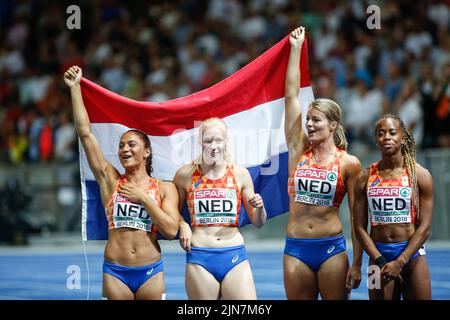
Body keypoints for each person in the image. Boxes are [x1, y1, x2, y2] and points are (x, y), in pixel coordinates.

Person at [64, 66, 180, 300]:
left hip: (151, 272)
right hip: (115, 271)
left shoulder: (164, 188)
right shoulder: (110, 180)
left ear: (146, 152)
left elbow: (170, 230)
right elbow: (85, 134)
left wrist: (145, 199)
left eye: (131, 145)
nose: (124, 149)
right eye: (121, 145)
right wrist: (75, 89)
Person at [283, 27, 363, 300]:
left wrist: (357, 262)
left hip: (331, 248)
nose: (309, 124)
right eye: (308, 119)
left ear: (333, 125)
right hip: (296, 248)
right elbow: (291, 96)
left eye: (316, 120)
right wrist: (296, 49)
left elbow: (357, 217)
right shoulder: (298, 150)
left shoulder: (348, 163)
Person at [173, 117, 267, 300]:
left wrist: (261, 208)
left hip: (234, 254)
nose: (213, 146)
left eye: (218, 140)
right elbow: (172, 212)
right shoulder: (185, 174)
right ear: (200, 143)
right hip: (200, 257)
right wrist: (182, 224)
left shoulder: (240, 174)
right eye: (208, 140)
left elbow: (258, 222)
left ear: (226, 142)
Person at [353, 114, 433, 300]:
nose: (386, 137)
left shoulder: (420, 175)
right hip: (377, 258)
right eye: (381, 134)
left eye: (392, 132)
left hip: (412, 255)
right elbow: (359, 227)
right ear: (376, 139)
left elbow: (425, 227)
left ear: (402, 137)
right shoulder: (364, 178)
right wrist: (380, 260)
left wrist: (401, 261)